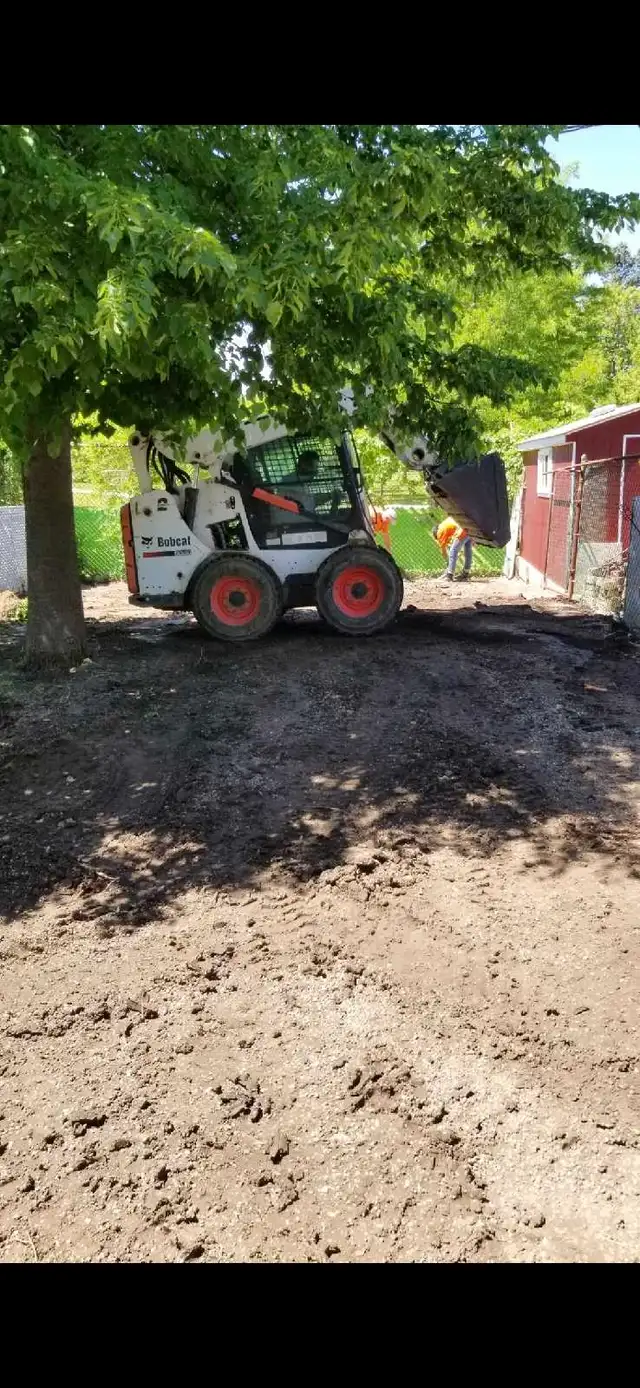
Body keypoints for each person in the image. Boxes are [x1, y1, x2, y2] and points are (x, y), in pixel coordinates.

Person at [432, 517, 472, 581]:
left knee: (453, 551)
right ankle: (465, 573)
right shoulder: (444, 525)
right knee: (468, 551)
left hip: (462, 530)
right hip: (470, 528)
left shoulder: (439, 532)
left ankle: (449, 575)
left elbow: (443, 550)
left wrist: (447, 562)